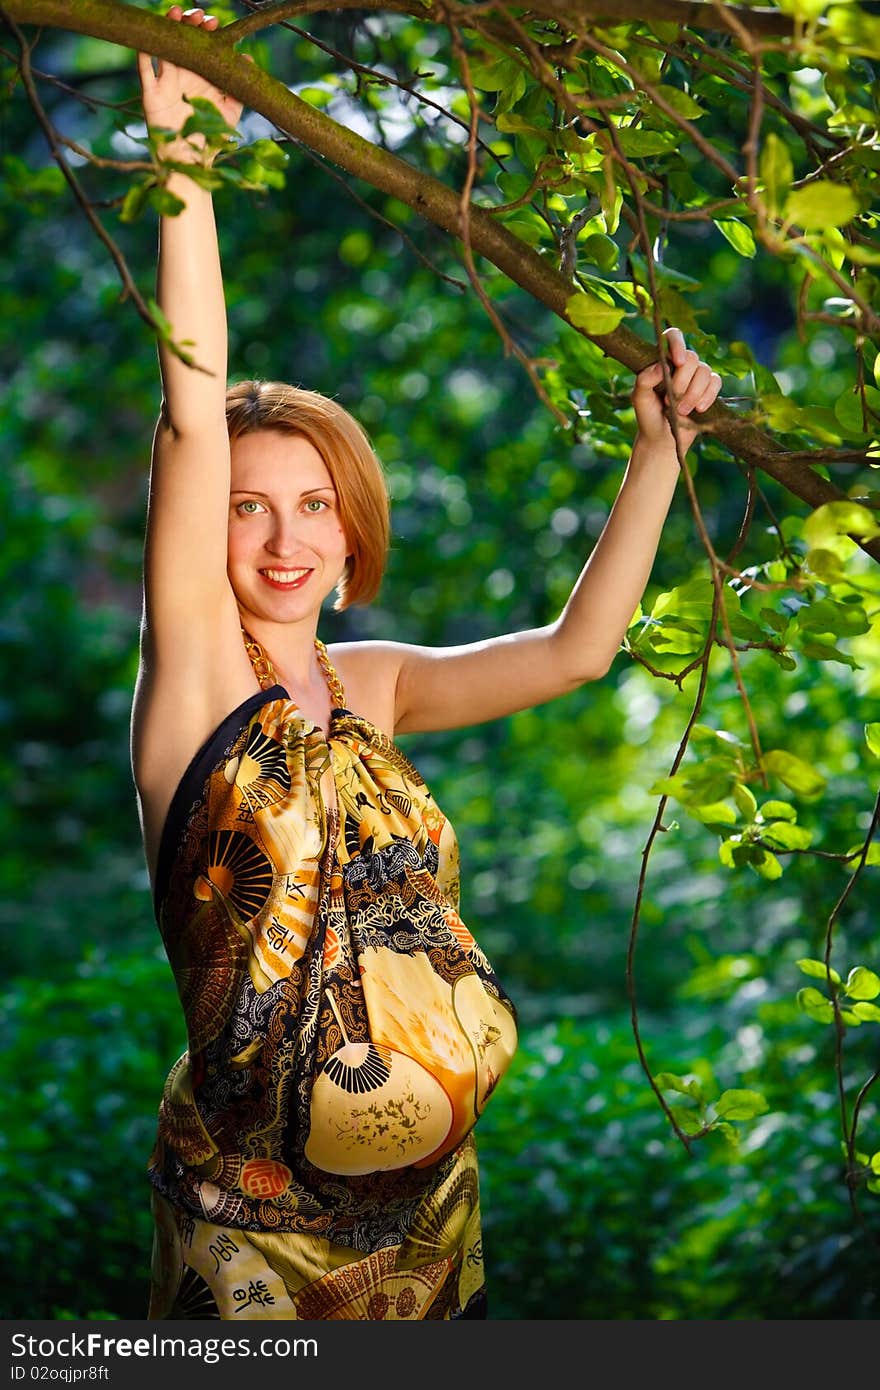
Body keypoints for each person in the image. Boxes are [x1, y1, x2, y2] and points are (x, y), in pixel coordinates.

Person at [131, 6, 722, 1322]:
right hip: (252, 1234)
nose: (286, 537)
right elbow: (191, 401)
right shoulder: (192, 691)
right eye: (248, 504)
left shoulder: (372, 684)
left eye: (316, 504)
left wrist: (660, 451)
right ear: (205, 526)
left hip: (434, 1222)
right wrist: (188, 170)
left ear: (353, 532)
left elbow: (576, 653)